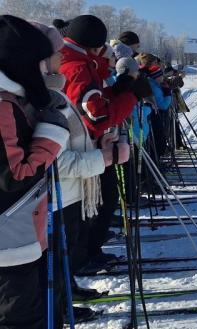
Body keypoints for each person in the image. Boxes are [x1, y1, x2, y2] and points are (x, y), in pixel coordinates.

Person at [29, 20, 111, 321]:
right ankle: (60, 307)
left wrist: (100, 140)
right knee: (55, 256)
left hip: (73, 189)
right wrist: (103, 156)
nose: (62, 58)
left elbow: (81, 129)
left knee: (67, 252)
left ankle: (65, 298)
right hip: (58, 195)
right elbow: (56, 161)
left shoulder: (55, 89)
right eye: (56, 53)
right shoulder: (44, 96)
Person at [0, 15, 70, 328]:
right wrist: (51, 136)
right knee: (21, 319)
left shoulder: (16, 99)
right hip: (8, 242)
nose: (48, 69)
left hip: (22, 233)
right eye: (43, 63)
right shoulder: (3, 106)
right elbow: (12, 177)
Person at [55, 15, 138, 270]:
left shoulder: (83, 63)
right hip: (81, 150)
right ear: (92, 46)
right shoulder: (76, 67)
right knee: (93, 206)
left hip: (87, 148)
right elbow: (98, 116)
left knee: (97, 203)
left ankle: (84, 257)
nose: (108, 53)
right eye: (103, 47)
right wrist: (130, 95)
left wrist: (120, 89)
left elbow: (98, 99)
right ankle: (83, 257)